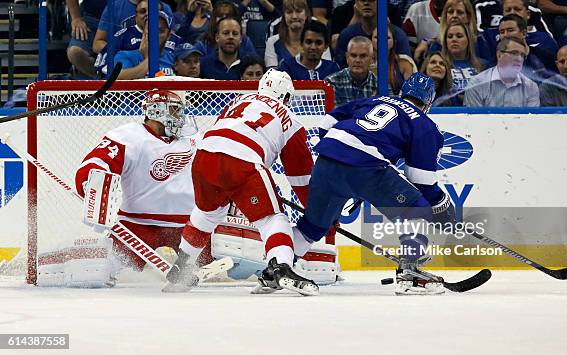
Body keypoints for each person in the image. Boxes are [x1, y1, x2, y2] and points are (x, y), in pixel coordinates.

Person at [293, 72, 456, 295]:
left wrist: (342, 158)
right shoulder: (424, 124)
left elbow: (327, 122)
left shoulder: (373, 100)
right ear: (427, 103)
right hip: (365, 166)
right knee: (417, 210)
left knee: (314, 226)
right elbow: (421, 179)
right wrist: (440, 203)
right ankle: (410, 273)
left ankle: (278, 264)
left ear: (401, 93)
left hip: (328, 157)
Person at [164, 69, 319, 296]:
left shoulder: (239, 101)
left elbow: (222, 134)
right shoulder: (290, 118)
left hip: (204, 156)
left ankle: (181, 267)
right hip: (242, 158)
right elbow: (300, 176)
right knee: (272, 218)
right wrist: (316, 209)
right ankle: (281, 268)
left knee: (207, 214)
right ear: (286, 96)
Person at [74, 89, 200, 286]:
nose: (180, 117)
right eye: (175, 111)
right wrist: (91, 185)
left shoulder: (193, 140)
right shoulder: (128, 137)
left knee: (225, 267)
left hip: (189, 225)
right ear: (157, 111)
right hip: (136, 226)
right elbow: (96, 162)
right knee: (103, 271)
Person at [334, 0, 413, 73]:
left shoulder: (398, 35)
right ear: (356, 3)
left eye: (372, 0)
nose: (366, 3)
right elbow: (339, 68)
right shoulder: (346, 35)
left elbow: (406, 66)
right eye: (362, 0)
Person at [464, 36, 540, 107]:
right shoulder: (477, 84)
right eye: (514, 53)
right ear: (499, 55)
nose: (519, 59)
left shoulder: (531, 87)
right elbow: (474, 120)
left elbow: (531, 120)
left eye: (522, 55)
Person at [264, 0, 332, 68]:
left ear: (306, 14)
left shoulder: (319, 40)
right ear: (284, 16)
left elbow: (327, 69)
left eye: (298, 11)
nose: (294, 16)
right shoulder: (272, 42)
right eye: (289, 12)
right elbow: (272, 74)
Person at [115, 10, 175, 79]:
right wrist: (149, 58)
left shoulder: (173, 59)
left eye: (161, 31)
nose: (155, 34)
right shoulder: (125, 56)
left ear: (168, 36)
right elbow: (119, 78)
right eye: (151, 29)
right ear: (143, 31)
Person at [325, 36, 379, 106]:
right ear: (347, 57)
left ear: (372, 59)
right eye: (353, 56)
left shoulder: (380, 85)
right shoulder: (331, 83)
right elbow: (332, 115)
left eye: (363, 56)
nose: (357, 60)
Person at [441, 23, 482, 105]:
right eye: (450, 37)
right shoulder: (439, 64)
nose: (454, 39)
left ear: (468, 40)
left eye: (459, 36)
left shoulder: (483, 66)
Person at [66, 0, 108, 78]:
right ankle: (102, 78)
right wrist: (76, 18)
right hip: (91, 18)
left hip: (121, 20)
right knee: (74, 52)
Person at [371, 25, 414, 95]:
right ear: (371, 40)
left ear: (393, 41)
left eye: (387, 38)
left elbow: (411, 92)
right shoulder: (364, 62)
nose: (382, 40)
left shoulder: (404, 62)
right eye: (377, 37)